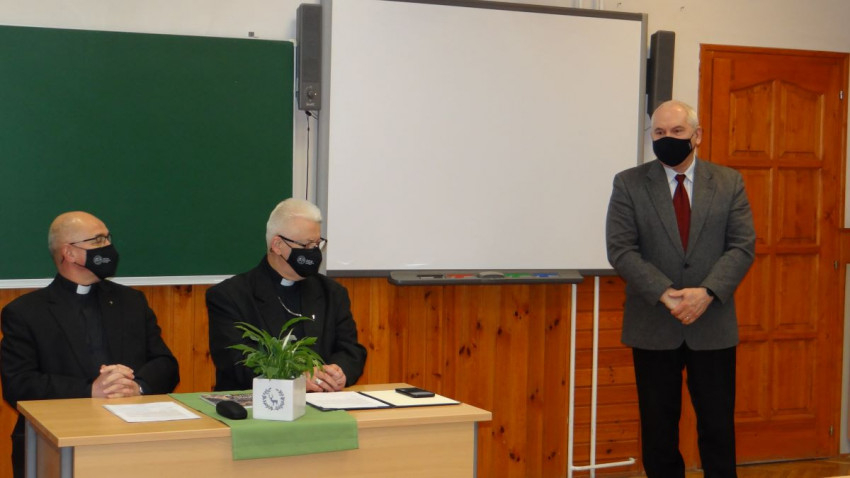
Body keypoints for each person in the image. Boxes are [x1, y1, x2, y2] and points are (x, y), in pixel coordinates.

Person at [605, 100, 756, 478]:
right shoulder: (629, 183)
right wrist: (665, 293)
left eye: (677, 131)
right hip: (653, 323)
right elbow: (621, 250)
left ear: (697, 135)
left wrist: (706, 292)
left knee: (717, 428)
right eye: (659, 132)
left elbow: (742, 246)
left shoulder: (729, 182)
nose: (667, 138)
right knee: (658, 430)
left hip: (712, 322)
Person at [1, 211, 180, 478]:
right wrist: (90, 390)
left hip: (134, 437)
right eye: (97, 240)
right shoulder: (26, 312)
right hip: (54, 443)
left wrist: (137, 386)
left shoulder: (132, 302)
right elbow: (19, 384)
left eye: (108, 238)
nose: (107, 246)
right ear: (69, 253)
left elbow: (165, 364)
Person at [206, 198, 367, 393]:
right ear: (277, 245)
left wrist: (338, 373)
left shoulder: (332, 293)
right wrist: (295, 378)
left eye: (317, 244)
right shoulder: (230, 296)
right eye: (306, 245)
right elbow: (237, 362)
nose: (314, 252)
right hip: (257, 404)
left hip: (322, 401)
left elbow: (351, 350)